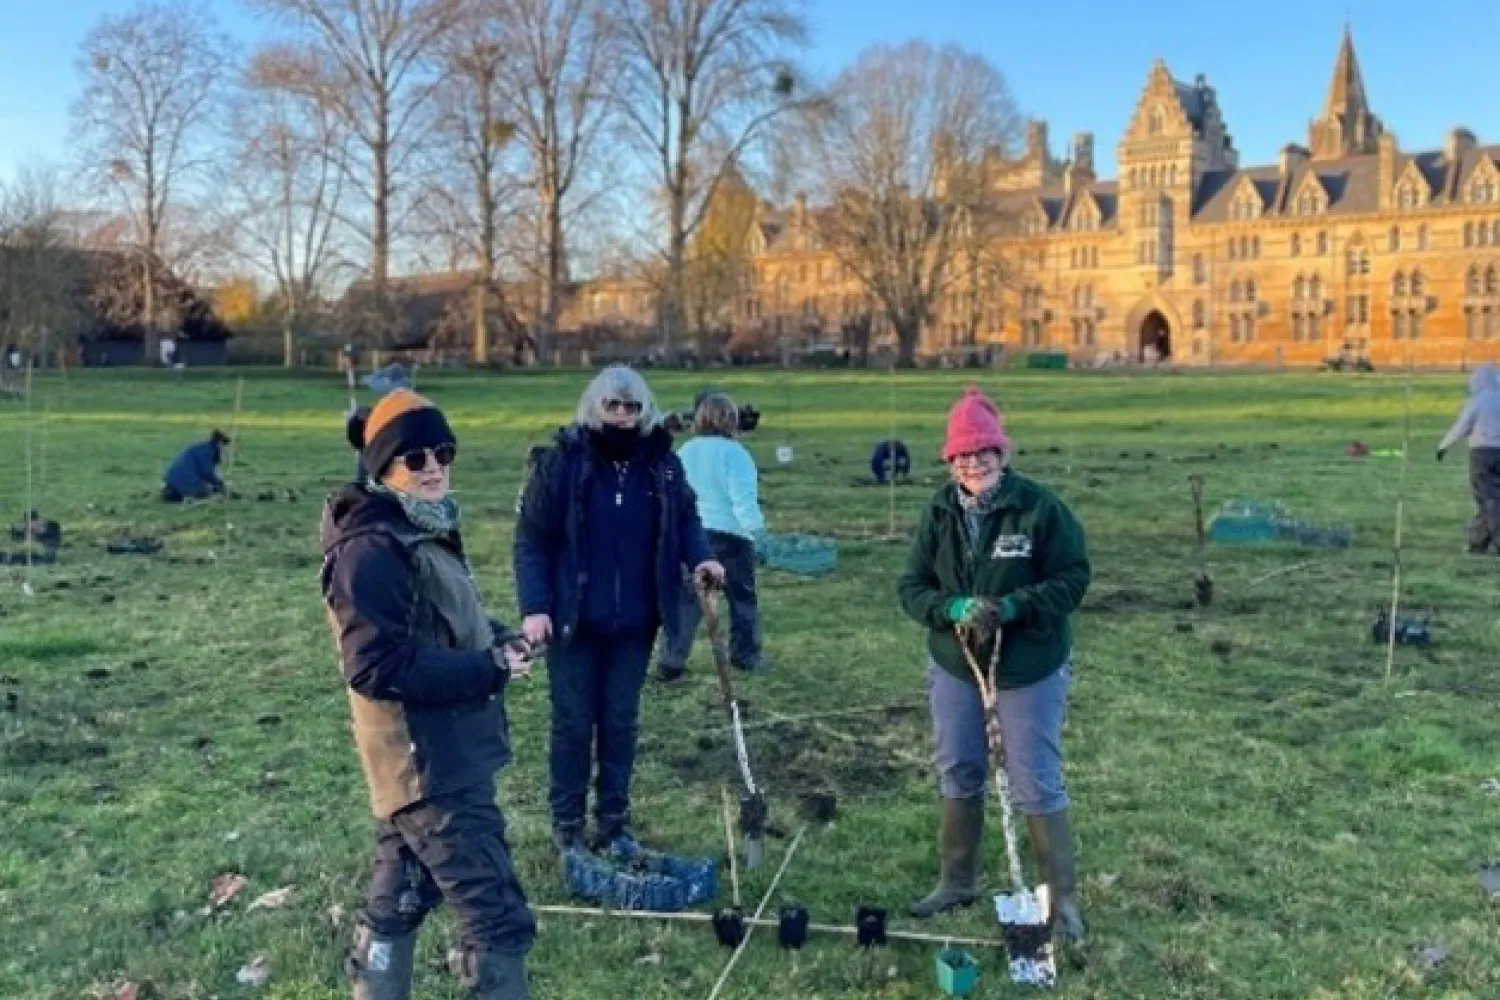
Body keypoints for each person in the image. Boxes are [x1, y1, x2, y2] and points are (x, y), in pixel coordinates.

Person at [321, 389, 536, 1000]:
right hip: (426, 764)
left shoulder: (420, 525)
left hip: (443, 754)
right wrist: (484, 670)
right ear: (384, 466)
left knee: (402, 893)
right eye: (414, 457)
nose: (433, 466)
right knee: (496, 916)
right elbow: (374, 664)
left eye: (442, 451)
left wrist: (499, 642)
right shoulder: (371, 547)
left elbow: (446, 622)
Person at [897, 387, 1091, 943]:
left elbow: (1073, 578)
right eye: (962, 454)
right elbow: (911, 587)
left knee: (1035, 780)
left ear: (1002, 455)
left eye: (983, 452)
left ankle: (1062, 900)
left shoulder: (1039, 509)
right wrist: (949, 608)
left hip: (1028, 664)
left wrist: (1014, 607)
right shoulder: (938, 512)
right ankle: (957, 881)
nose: (973, 462)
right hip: (957, 664)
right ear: (949, 460)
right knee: (959, 766)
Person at [514, 366, 723, 854]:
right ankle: (567, 824)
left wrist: (704, 556)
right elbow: (532, 539)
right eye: (613, 406)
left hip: (635, 621)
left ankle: (614, 822)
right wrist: (536, 607)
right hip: (574, 622)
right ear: (595, 408)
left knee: (620, 722)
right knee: (572, 721)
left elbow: (685, 520)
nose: (624, 416)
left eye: (633, 408)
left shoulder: (662, 465)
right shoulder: (563, 462)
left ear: (645, 411)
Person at [657, 392, 767, 681]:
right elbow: (743, 498)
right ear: (733, 422)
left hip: (693, 536)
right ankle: (746, 655)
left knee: (686, 601)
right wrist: (757, 532)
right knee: (742, 598)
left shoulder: (686, 451)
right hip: (733, 536)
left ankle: (672, 659)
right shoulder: (737, 455)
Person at [1437, 362, 1500, 553]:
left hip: (1481, 454)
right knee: (1494, 498)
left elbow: (1462, 426)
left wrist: (1443, 446)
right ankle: (1477, 543)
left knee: (1487, 499)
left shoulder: (1478, 401)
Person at [161, 430, 230, 502]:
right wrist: (220, 484)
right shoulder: (208, 452)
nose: (225, 450)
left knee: (209, 487)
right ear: (220, 443)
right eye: (225, 446)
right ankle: (187, 496)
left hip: (171, 482)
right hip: (184, 481)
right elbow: (206, 473)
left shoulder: (202, 448)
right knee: (207, 491)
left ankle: (174, 494)